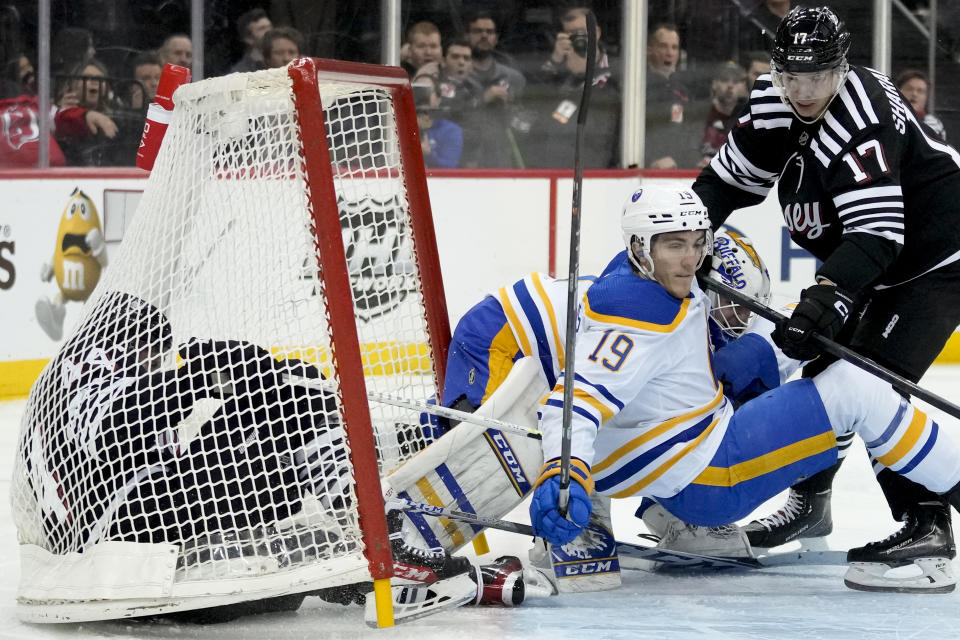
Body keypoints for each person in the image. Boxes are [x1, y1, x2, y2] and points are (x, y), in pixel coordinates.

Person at [529, 185, 960, 593]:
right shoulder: (635, 313)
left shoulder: (643, 276)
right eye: (675, 245)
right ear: (641, 246)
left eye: (698, 244)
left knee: (806, 359)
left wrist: (792, 333)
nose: (689, 260)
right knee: (855, 386)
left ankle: (807, 506)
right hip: (711, 476)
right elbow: (576, 403)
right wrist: (564, 472)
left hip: (687, 459)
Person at [691, 6, 960, 590]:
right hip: (883, 262)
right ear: (776, 71)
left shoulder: (858, 118)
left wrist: (829, 297)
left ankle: (929, 529)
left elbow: (877, 234)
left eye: (817, 78)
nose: (804, 92)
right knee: (822, 369)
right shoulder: (771, 103)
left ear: (842, 69)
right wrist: (686, 236)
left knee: (869, 383)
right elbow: (721, 185)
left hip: (937, 258)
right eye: (792, 78)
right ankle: (812, 506)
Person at [521, 6, 621, 169]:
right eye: (570, 34)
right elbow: (530, 111)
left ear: (596, 32)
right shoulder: (557, 74)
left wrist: (586, 72)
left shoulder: (618, 70)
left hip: (600, 172)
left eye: (582, 31)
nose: (577, 38)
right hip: (554, 169)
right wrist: (555, 62)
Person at [462, 11, 526, 168]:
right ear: (467, 36)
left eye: (489, 32)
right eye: (477, 31)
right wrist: (483, 100)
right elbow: (453, 116)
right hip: (465, 157)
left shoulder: (514, 78)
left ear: (496, 38)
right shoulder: (458, 77)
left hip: (502, 159)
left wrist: (510, 109)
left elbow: (524, 120)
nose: (484, 36)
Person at [645, 23, 694, 169]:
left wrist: (682, 160)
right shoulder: (635, 88)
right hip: (647, 169)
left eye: (674, 47)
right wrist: (649, 161)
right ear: (649, 50)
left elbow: (689, 134)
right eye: (663, 46)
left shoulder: (684, 91)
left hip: (677, 170)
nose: (670, 53)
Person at [695, 61, 748, 169]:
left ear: (743, 87)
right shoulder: (699, 114)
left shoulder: (748, 119)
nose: (730, 85)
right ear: (714, 84)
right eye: (724, 80)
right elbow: (685, 148)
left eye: (736, 81)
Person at [414, 75, 463, 168]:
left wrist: (428, 154)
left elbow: (450, 167)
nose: (421, 96)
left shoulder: (450, 130)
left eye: (427, 91)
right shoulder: (397, 126)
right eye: (418, 90)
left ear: (438, 99)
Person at [895, 69, 947, 141]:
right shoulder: (887, 118)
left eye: (920, 91)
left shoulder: (934, 125)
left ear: (926, 97)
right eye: (909, 89)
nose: (914, 94)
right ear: (897, 91)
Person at [230, 8, 272, 74]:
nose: (270, 31)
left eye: (270, 26)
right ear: (249, 39)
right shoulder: (241, 72)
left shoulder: (287, 58)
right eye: (262, 28)